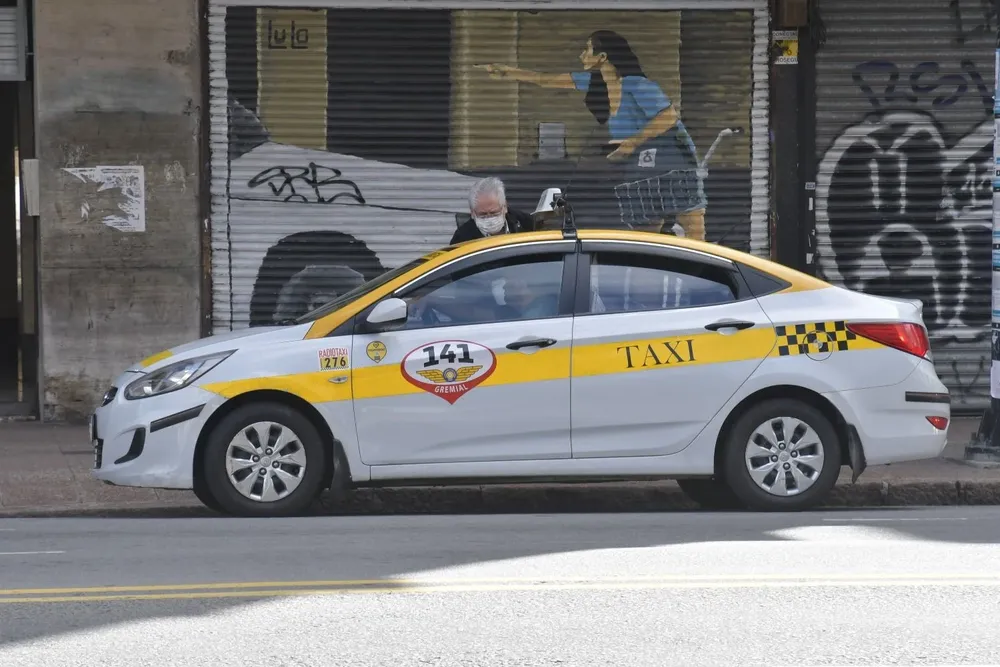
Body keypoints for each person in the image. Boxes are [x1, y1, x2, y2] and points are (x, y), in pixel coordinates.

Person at [478, 30, 707, 241]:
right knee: (644, 235)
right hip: (640, 170)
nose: (581, 55)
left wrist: (632, 142)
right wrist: (509, 72)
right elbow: (546, 79)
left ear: (603, 56)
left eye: (587, 49)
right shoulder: (596, 83)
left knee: (692, 229)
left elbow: (668, 116)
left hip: (674, 163)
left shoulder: (637, 85)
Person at [451, 176, 536, 245]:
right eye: (483, 214)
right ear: (472, 213)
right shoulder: (462, 238)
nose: (489, 219)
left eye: (494, 213)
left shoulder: (526, 224)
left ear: (505, 207)